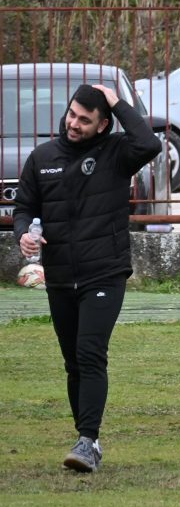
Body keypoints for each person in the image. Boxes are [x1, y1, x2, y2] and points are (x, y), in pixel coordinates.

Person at [13, 83, 161, 472]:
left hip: (105, 272)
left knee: (90, 352)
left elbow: (149, 143)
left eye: (85, 119)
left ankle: (87, 439)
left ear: (103, 124)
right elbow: (24, 207)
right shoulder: (42, 157)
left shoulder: (117, 152)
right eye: (72, 115)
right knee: (73, 362)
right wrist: (24, 233)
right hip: (61, 275)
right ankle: (88, 440)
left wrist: (115, 101)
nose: (74, 124)